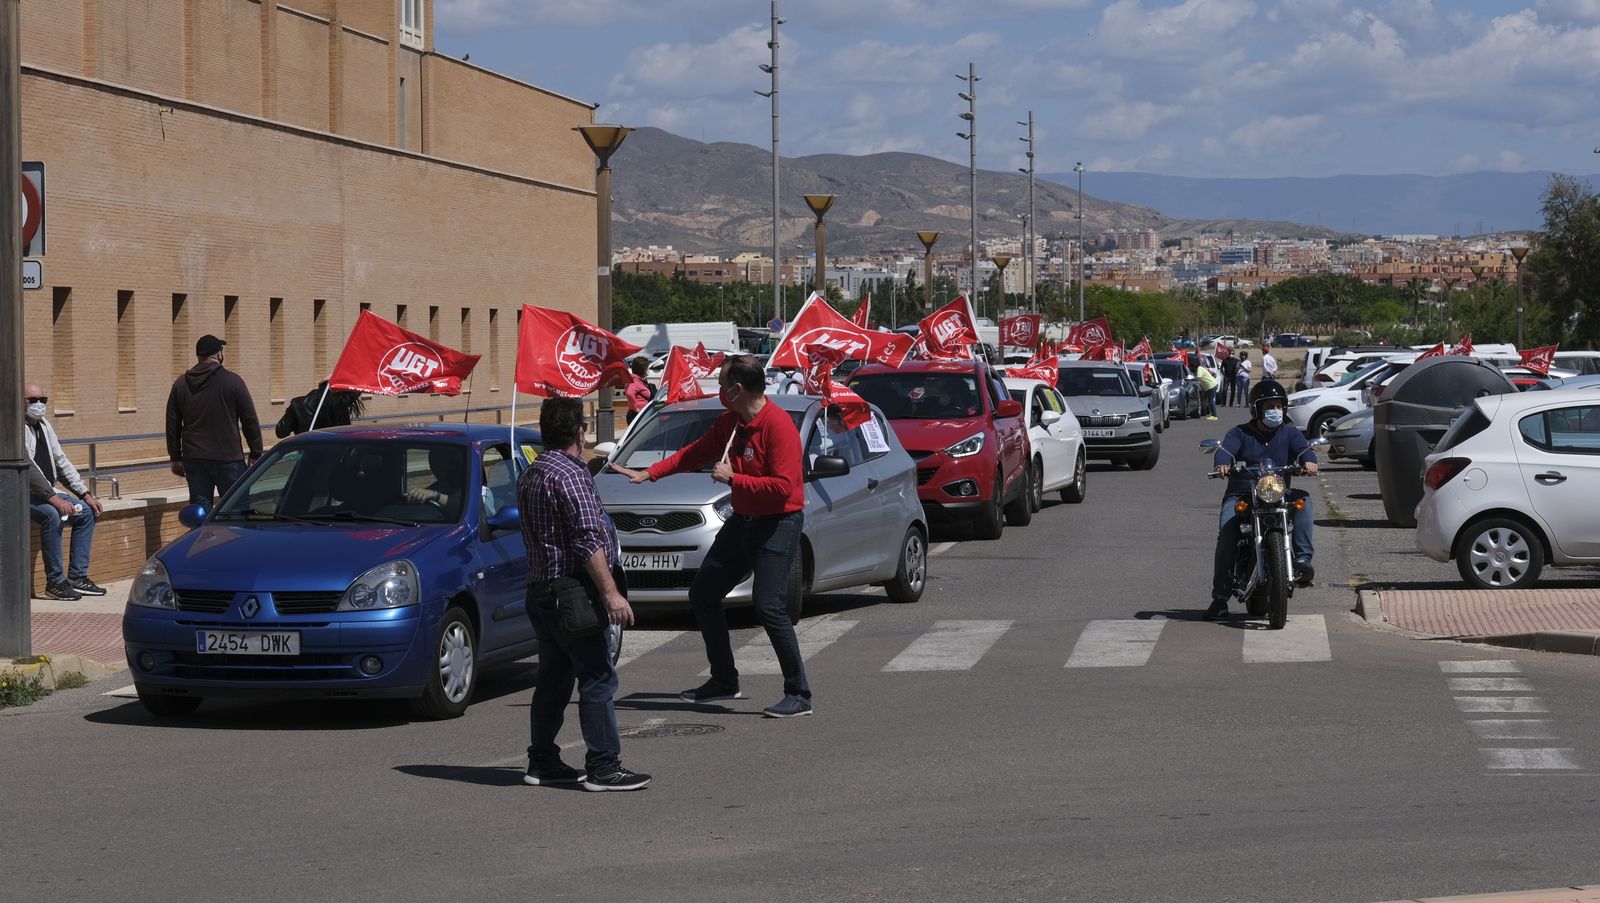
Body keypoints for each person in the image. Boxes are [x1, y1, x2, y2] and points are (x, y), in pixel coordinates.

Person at [609, 354, 812, 719]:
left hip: (778, 523)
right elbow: (696, 453)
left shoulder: (778, 427)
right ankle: (724, 680)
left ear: (738, 388)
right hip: (743, 521)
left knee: (769, 606)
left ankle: (798, 693)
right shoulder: (731, 422)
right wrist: (650, 473)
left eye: (722, 384)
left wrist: (734, 479)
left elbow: (784, 488)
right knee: (703, 594)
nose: (718, 390)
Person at [518, 396, 650, 792]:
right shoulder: (571, 476)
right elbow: (587, 541)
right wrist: (611, 593)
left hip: (541, 589)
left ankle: (542, 760)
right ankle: (603, 766)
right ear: (580, 431)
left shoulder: (533, 472)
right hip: (572, 590)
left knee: (554, 678)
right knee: (597, 677)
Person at [1205, 380, 1319, 621]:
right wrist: (1223, 464)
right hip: (1243, 494)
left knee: (1304, 502)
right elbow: (1225, 450)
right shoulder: (1240, 433)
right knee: (1227, 532)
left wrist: (1309, 462)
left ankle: (1302, 559)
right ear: (1257, 409)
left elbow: (1303, 450)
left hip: (1278, 492)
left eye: (1279, 406)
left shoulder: (1289, 432)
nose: (1276, 411)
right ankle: (1219, 599)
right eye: (1270, 406)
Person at [23, 381, 105, 600]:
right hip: (22, 494)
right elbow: (28, 469)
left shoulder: (45, 425)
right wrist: (55, 500)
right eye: (32, 400)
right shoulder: (13, 428)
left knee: (87, 512)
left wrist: (85, 495)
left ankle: (77, 577)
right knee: (52, 515)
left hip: (47, 491)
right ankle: (55, 582)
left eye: (43, 400)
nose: (38, 404)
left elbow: (61, 462)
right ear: (20, 402)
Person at [166, 335, 263, 506]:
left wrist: (175, 457)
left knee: (200, 513)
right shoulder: (233, 381)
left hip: (194, 458)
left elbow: (172, 424)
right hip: (228, 458)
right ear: (218, 354)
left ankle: (201, 534)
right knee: (235, 511)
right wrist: (255, 453)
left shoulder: (181, 384)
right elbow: (249, 420)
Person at [275, 381, 365, 437]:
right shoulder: (340, 404)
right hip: (336, 457)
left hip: (308, 457)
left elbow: (281, 432)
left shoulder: (298, 404)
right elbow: (360, 387)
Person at [624, 357, 654, 425]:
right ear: (643, 369)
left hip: (643, 414)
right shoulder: (634, 381)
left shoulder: (639, 380)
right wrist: (636, 408)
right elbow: (629, 393)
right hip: (637, 415)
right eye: (647, 368)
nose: (648, 370)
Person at [1194, 355, 1219, 420]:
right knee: (1210, 400)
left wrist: (1192, 379)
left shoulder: (1199, 368)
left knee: (1211, 401)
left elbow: (1198, 377)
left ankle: (1214, 416)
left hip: (1211, 385)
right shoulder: (1202, 368)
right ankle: (1213, 414)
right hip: (1212, 385)